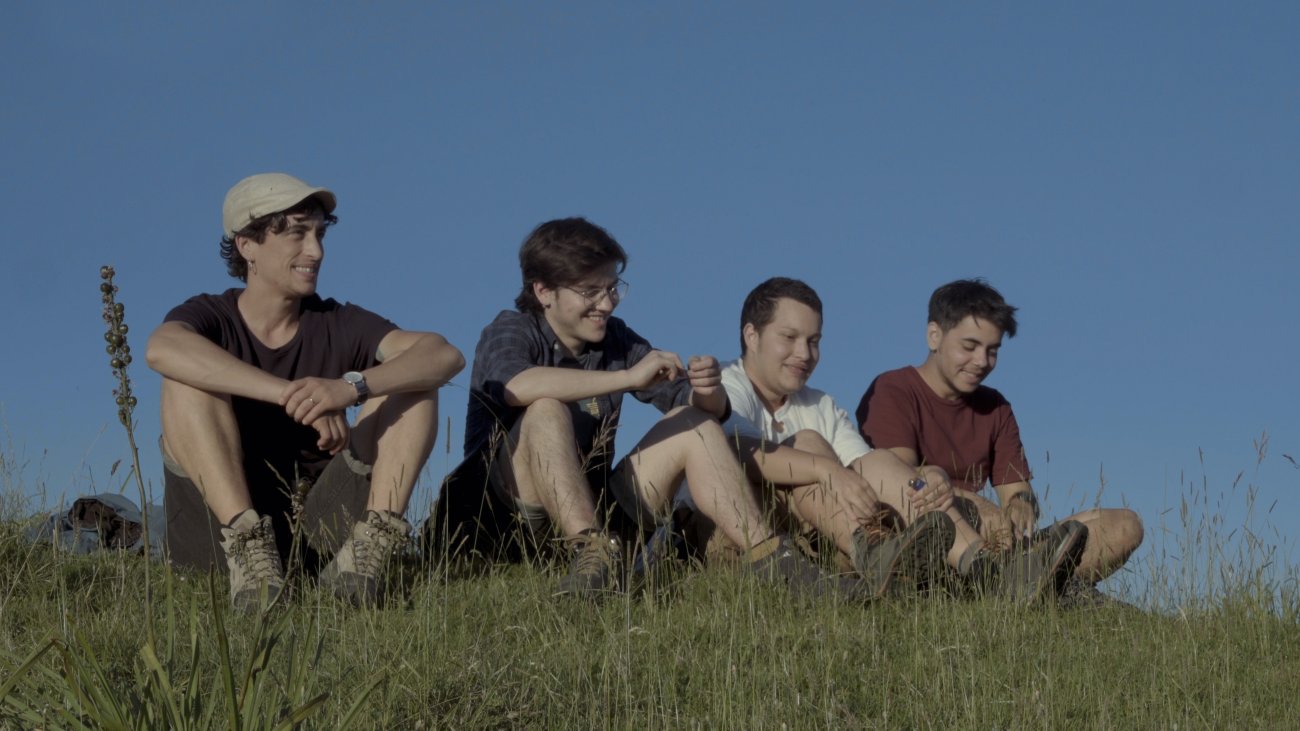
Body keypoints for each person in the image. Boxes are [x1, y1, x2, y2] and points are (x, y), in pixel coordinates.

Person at [427, 219, 844, 600]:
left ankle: (773, 560)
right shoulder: (511, 329)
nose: (607, 304)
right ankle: (590, 551)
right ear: (543, 292)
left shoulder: (616, 339)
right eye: (590, 291)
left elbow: (699, 407)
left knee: (693, 425)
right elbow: (517, 386)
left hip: (599, 512)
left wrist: (706, 391)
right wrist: (627, 378)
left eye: (611, 288)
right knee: (546, 410)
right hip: (501, 522)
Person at [146, 173, 464, 610]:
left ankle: (365, 557)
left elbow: (443, 354)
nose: (315, 251)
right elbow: (161, 348)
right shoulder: (209, 315)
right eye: (296, 233)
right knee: (184, 379)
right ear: (247, 245)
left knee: (413, 379)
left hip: (313, 535)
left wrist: (349, 387)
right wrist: (294, 396)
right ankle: (250, 553)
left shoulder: (337, 320)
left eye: (318, 234)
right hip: (218, 540)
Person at [682, 277, 1084, 601]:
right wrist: (825, 470)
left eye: (814, 341)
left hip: (815, 535)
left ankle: (983, 569)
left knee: (867, 462)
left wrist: (928, 477)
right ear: (751, 336)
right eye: (789, 338)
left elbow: (871, 467)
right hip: (742, 536)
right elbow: (738, 452)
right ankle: (887, 558)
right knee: (809, 444)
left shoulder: (821, 404)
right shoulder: (725, 386)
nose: (804, 353)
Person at [856, 278, 1144, 606]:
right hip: (926, 534)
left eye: (992, 351)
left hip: (995, 541)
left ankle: (1023, 584)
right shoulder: (893, 389)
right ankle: (1044, 590)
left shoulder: (996, 407)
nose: (982, 361)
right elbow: (905, 481)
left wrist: (1020, 506)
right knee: (968, 514)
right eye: (970, 346)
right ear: (934, 336)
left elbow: (1017, 491)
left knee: (1126, 526)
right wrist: (983, 509)